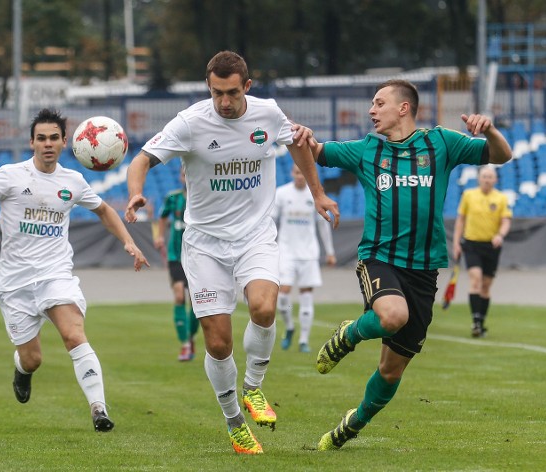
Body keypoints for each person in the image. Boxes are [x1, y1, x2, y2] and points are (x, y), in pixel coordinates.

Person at [125, 50, 339, 454]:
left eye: (231, 92)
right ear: (209, 87)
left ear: (247, 87)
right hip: (204, 245)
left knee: (263, 307)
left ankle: (254, 388)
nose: (223, 101)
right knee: (219, 342)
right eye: (216, 92)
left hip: (255, 236)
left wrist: (318, 193)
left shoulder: (269, 113)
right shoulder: (189, 122)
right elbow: (141, 159)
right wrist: (136, 194)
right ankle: (234, 422)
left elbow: (297, 144)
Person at [296, 79, 512, 451]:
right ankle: (349, 335)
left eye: (379, 103)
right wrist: (301, 137)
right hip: (378, 258)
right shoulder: (366, 149)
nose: (371, 110)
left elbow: (501, 155)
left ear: (403, 108)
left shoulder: (442, 142)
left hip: (425, 270)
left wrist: (490, 129)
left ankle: (352, 424)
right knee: (392, 315)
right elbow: (311, 151)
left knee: (390, 369)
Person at [0, 108, 149, 433]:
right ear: (32, 142)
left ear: (65, 142)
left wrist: (129, 242)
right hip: (15, 283)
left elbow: (104, 211)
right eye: (41, 138)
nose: (47, 144)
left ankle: (98, 409)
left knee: (74, 335)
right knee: (33, 358)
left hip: (56, 276)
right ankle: (22, 371)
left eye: (53, 138)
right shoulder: (10, 175)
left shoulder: (73, 181)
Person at [273, 164, 337, 353]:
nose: (300, 176)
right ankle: (290, 327)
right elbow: (271, 221)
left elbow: (323, 225)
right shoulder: (282, 193)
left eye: (303, 173)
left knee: (306, 296)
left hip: (309, 253)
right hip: (286, 251)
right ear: (292, 173)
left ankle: (303, 340)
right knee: (283, 295)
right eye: (296, 173)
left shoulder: (315, 196)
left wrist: (330, 251)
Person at [452, 165, 512, 338]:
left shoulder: (500, 198)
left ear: (495, 180)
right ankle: (475, 322)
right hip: (471, 244)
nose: (487, 179)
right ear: (479, 178)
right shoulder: (469, 195)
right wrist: (456, 243)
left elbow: (506, 220)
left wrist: (500, 235)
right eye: (484, 176)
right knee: (476, 280)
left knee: (486, 287)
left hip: (491, 246)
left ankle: (481, 321)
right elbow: (460, 220)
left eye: (490, 177)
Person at [154, 167, 199, 361]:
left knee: (197, 301)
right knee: (179, 294)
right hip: (176, 256)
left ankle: (190, 337)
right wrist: (159, 236)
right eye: (182, 173)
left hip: (198, 256)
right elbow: (163, 216)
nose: (185, 177)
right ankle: (185, 344)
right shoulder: (173, 198)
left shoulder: (202, 197)